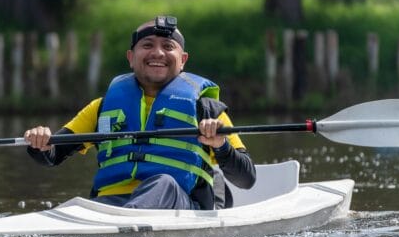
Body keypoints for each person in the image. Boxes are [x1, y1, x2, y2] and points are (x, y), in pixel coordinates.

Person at [24, 15, 256, 210]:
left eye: (168, 46)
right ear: (131, 58)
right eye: (147, 45)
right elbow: (53, 154)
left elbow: (246, 179)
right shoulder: (101, 108)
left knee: (163, 183)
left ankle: (120, 229)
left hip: (180, 204)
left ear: (183, 60)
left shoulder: (207, 111)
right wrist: (40, 143)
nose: (158, 53)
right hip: (112, 206)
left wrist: (220, 145)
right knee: (81, 207)